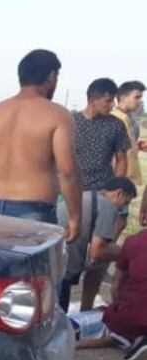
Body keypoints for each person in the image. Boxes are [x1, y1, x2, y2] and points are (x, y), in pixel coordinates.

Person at [0, 49, 81, 240]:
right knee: (30, 269)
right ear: (51, 77)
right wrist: (74, 217)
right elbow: (67, 172)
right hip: (32, 206)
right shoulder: (58, 115)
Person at [73, 78, 131, 309]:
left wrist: (116, 191)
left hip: (103, 196)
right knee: (68, 254)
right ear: (93, 99)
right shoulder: (71, 122)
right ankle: (60, 304)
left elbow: (121, 158)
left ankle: (86, 306)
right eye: (108, 101)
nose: (111, 105)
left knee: (99, 255)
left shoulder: (115, 125)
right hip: (73, 197)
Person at [57, 177, 136, 311]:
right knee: (59, 316)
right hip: (63, 267)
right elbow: (98, 251)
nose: (123, 208)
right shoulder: (107, 207)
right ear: (118, 193)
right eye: (125, 202)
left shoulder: (87, 195)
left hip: (54, 258)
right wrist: (129, 252)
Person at [104, 227, 147, 360]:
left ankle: (130, 340)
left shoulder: (132, 241)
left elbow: (116, 287)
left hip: (128, 319)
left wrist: (118, 307)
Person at [112, 81, 146, 229]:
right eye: (137, 97)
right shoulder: (118, 118)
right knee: (118, 220)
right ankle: (100, 251)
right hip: (118, 178)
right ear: (123, 97)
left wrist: (136, 146)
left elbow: (124, 147)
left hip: (124, 178)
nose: (140, 102)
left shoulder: (127, 118)